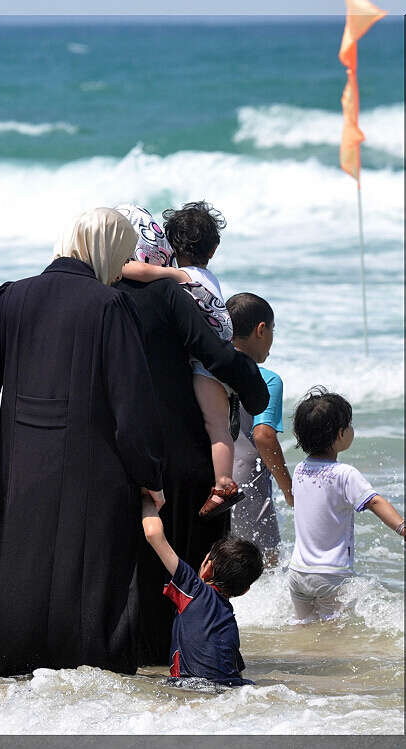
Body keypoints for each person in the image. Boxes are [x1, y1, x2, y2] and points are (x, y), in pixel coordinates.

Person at [0, 207, 166, 677]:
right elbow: (132, 407)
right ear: (104, 247)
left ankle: (10, 676)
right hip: (97, 477)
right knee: (92, 590)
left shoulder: (12, 297)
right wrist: (151, 475)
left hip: (22, 470)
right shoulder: (110, 306)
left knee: (18, 580)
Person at [113, 204, 269, 667]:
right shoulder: (168, 292)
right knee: (192, 560)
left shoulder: (102, 295)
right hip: (180, 450)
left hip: (123, 445)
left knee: (137, 559)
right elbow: (215, 354)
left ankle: (137, 661)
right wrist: (255, 390)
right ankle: (197, 656)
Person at [120, 201, 241, 517]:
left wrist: (120, 266)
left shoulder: (180, 275)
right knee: (218, 425)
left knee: (214, 423)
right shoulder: (207, 277)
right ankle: (224, 482)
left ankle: (224, 485)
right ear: (213, 249)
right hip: (218, 358)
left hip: (205, 364)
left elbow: (139, 270)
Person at [289, 387, 406, 621]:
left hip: (298, 572)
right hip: (331, 575)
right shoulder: (344, 473)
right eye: (349, 425)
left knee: (303, 629)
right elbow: (374, 502)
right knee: (335, 634)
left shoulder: (300, 469)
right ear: (341, 434)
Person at [141, 495, 263, 686]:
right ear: (243, 591)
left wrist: (147, 497)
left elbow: (153, 534)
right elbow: (235, 670)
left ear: (207, 568)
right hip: (231, 687)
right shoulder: (229, 620)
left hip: (191, 689)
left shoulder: (193, 589)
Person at [226, 293, 292, 566]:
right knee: (265, 564)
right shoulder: (267, 378)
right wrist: (289, 490)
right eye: (272, 330)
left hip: (212, 477)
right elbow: (263, 436)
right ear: (261, 330)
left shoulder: (208, 368)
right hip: (246, 482)